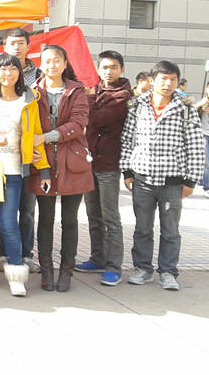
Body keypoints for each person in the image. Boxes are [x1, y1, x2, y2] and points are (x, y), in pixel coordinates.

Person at [0, 54, 50, 297]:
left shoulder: (29, 100)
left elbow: (36, 136)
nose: (8, 74)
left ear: (19, 73)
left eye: (12, 69)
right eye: (3, 69)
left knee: (8, 223)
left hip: (14, 171)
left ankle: (15, 272)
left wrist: (44, 170)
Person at [120, 60, 205, 291]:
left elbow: (195, 146)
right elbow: (127, 140)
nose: (168, 84)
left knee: (170, 231)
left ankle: (168, 272)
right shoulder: (137, 106)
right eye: (163, 79)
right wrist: (127, 171)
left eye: (173, 79)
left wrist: (191, 181)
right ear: (152, 80)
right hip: (142, 181)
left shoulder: (185, 109)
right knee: (142, 229)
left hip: (172, 183)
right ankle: (143, 269)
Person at [29, 45, 92, 292]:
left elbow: (79, 123)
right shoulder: (32, 91)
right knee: (45, 219)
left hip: (73, 163)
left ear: (65, 64)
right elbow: (27, 124)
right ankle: (46, 270)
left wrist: (46, 137)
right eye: (47, 61)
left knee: (70, 220)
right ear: (40, 64)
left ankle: (66, 271)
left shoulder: (77, 90)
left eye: (57, 60)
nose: (52, 65)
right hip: (42, 163)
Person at [0, 28, 42, 273]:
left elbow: (38, 120)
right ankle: (3, 253)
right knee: (2, 210)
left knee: (27, 209)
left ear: (28, 46)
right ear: (4, 47)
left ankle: (25, 254)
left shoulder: (39, 77)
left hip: (27, 156)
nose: (16, 47)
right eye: (11, 43)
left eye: (20, 43)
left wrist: (37, 145)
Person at [76, 50, 132, 285]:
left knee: (110, 217)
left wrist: (89, 98)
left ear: (122, 70)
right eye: (105, 67)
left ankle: (114, 267)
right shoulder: (95, 89)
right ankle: (97, 258)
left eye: (114, 67)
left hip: (108, 163)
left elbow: (96, 119)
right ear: (98, 69)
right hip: (89, 161)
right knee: (93, 215)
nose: (108, 71)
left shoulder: (123, 95)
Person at [195, 82, 209, 198]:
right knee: (206, 161)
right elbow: (190, 111)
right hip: (204, 133)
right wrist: (200, 105)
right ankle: (207, 185)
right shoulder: (202, 101)